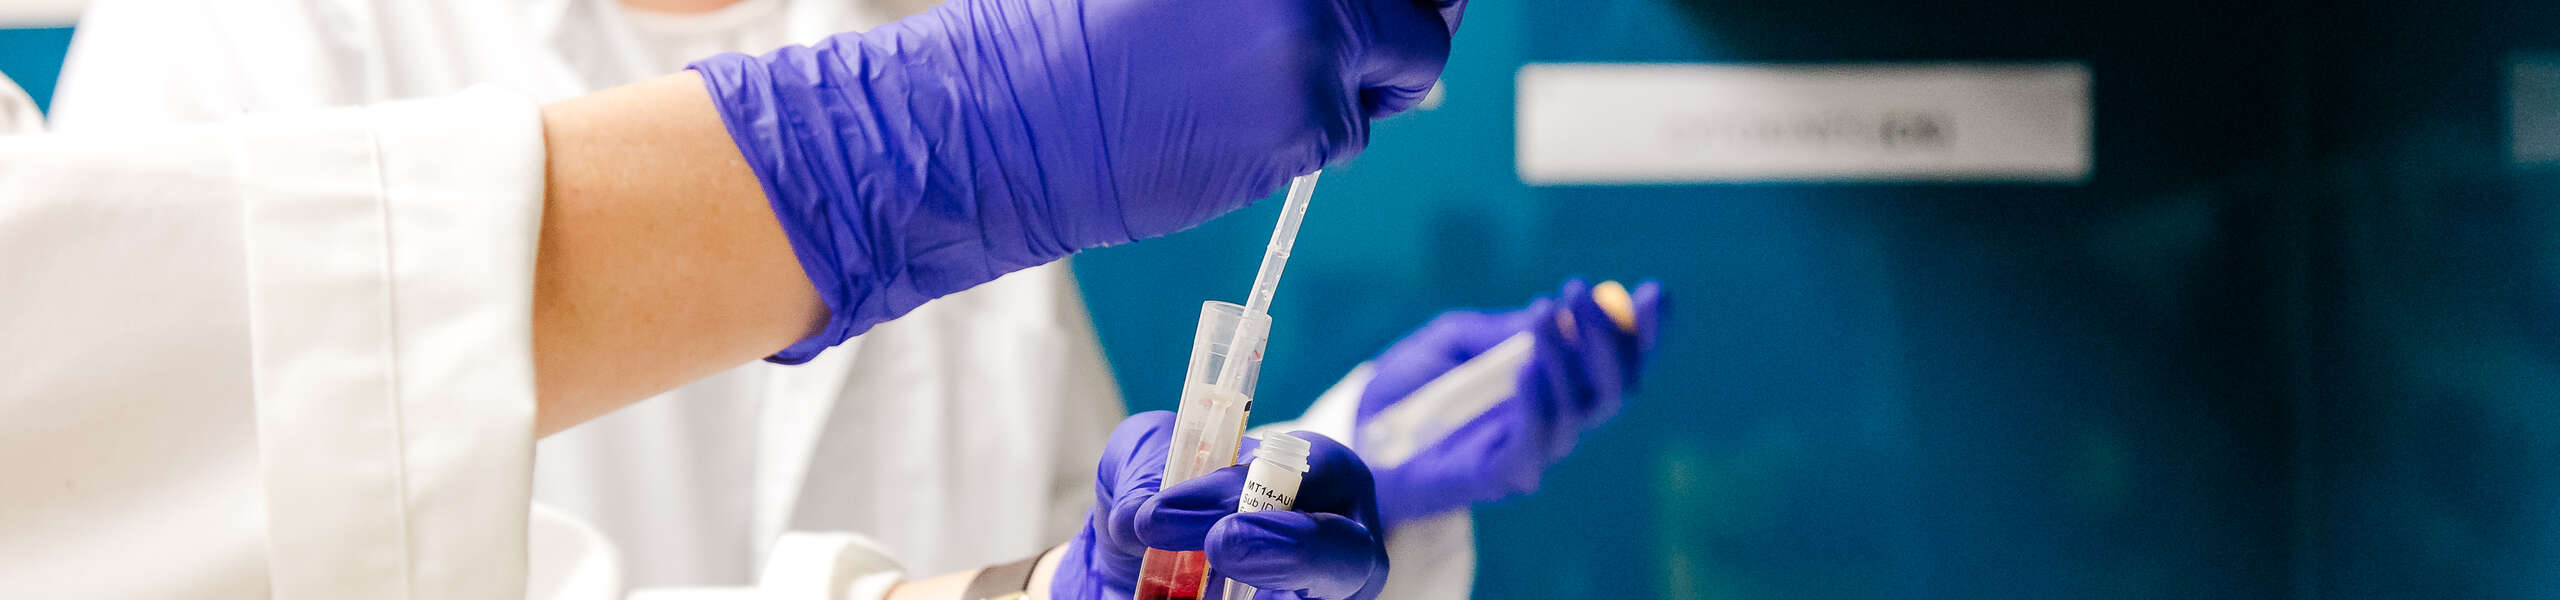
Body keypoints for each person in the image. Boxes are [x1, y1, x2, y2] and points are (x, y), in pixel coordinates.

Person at [46, 2, 1666, 598]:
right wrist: (899, 154)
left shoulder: (973, 49)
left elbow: (1092, 532)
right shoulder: (236, 46)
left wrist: (1304, 474)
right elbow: (107, 473)